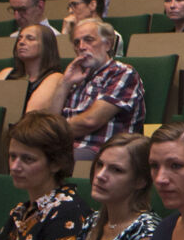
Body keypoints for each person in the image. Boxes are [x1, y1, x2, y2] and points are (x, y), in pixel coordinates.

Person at [35, 18, 145, 160]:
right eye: (76, 42)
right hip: (65, 146)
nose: (81, 47)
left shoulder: (122, 73)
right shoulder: (75, 76)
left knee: (40, 159)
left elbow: (90, 121)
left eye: (89, 40)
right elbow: (50, 118)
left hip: (102, 151)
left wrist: (51, 132)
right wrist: (65, 83)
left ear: (107, 44)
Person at [68, 132, 160, 240]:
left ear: (140, 181)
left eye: (116, 170)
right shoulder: (93, 221)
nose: (101, 176)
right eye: (100, 165)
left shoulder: (146, 231)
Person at [0, 23, 65, 115]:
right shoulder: (6, 73)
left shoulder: (55, 77)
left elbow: (31, 114)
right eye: (20, 38)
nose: (21, 42)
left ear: (46, 45)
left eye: (30, 38)